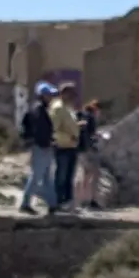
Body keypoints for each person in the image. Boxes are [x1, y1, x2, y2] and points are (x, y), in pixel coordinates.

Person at [18, 81, 57, 215]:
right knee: (36, 177)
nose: (51, 97)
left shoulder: (41, 109)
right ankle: (25, 203)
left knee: (47, 177)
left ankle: (53, 205)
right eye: (49, 95)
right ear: (42, 95)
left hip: (44, 146)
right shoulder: (39, 110)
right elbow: (40, 131)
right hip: (41, 147)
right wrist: (47, 142)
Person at [48, 84, 81, 213]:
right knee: (61, 176)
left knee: (69, 176)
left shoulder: (68, 108)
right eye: (71, 94)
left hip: (72, 147)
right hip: (63, 146)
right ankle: (58, 202)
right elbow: (54, 130)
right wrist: (68, 138)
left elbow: (69, 125)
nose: (73, 98)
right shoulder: (58, 108)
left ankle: (68, 202)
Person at [76, 99, 103, 210]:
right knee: (95, 174)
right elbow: (91, 135)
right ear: (96, 109)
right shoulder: (91, 118)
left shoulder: (81, 116)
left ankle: (82, 200)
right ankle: (93, 200)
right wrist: (99, 137)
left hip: (80, 150)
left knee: (85, 175)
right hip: (89, 150)